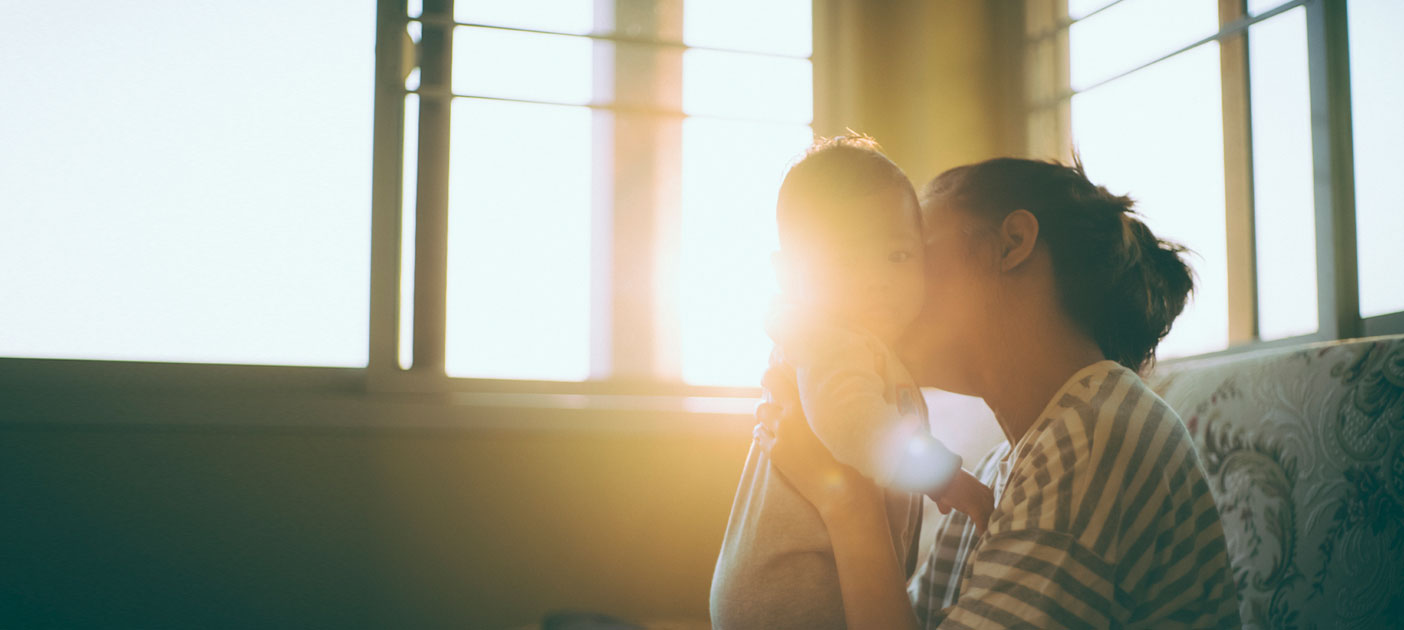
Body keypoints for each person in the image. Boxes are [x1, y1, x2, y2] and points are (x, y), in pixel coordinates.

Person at [753, 157, 1242, 628]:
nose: (881, 287)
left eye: (908, 252)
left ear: (1012, 243)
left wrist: (845, 500)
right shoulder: (997, 470)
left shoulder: (1092, 439)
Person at [710, 136, 994, 630]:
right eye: (844, 261)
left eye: (898, 256)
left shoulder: (865, 344)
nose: (875, 280)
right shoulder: (826, 341)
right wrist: (948, 479)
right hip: (788, 597)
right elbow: (854, 422)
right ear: (789, 275)